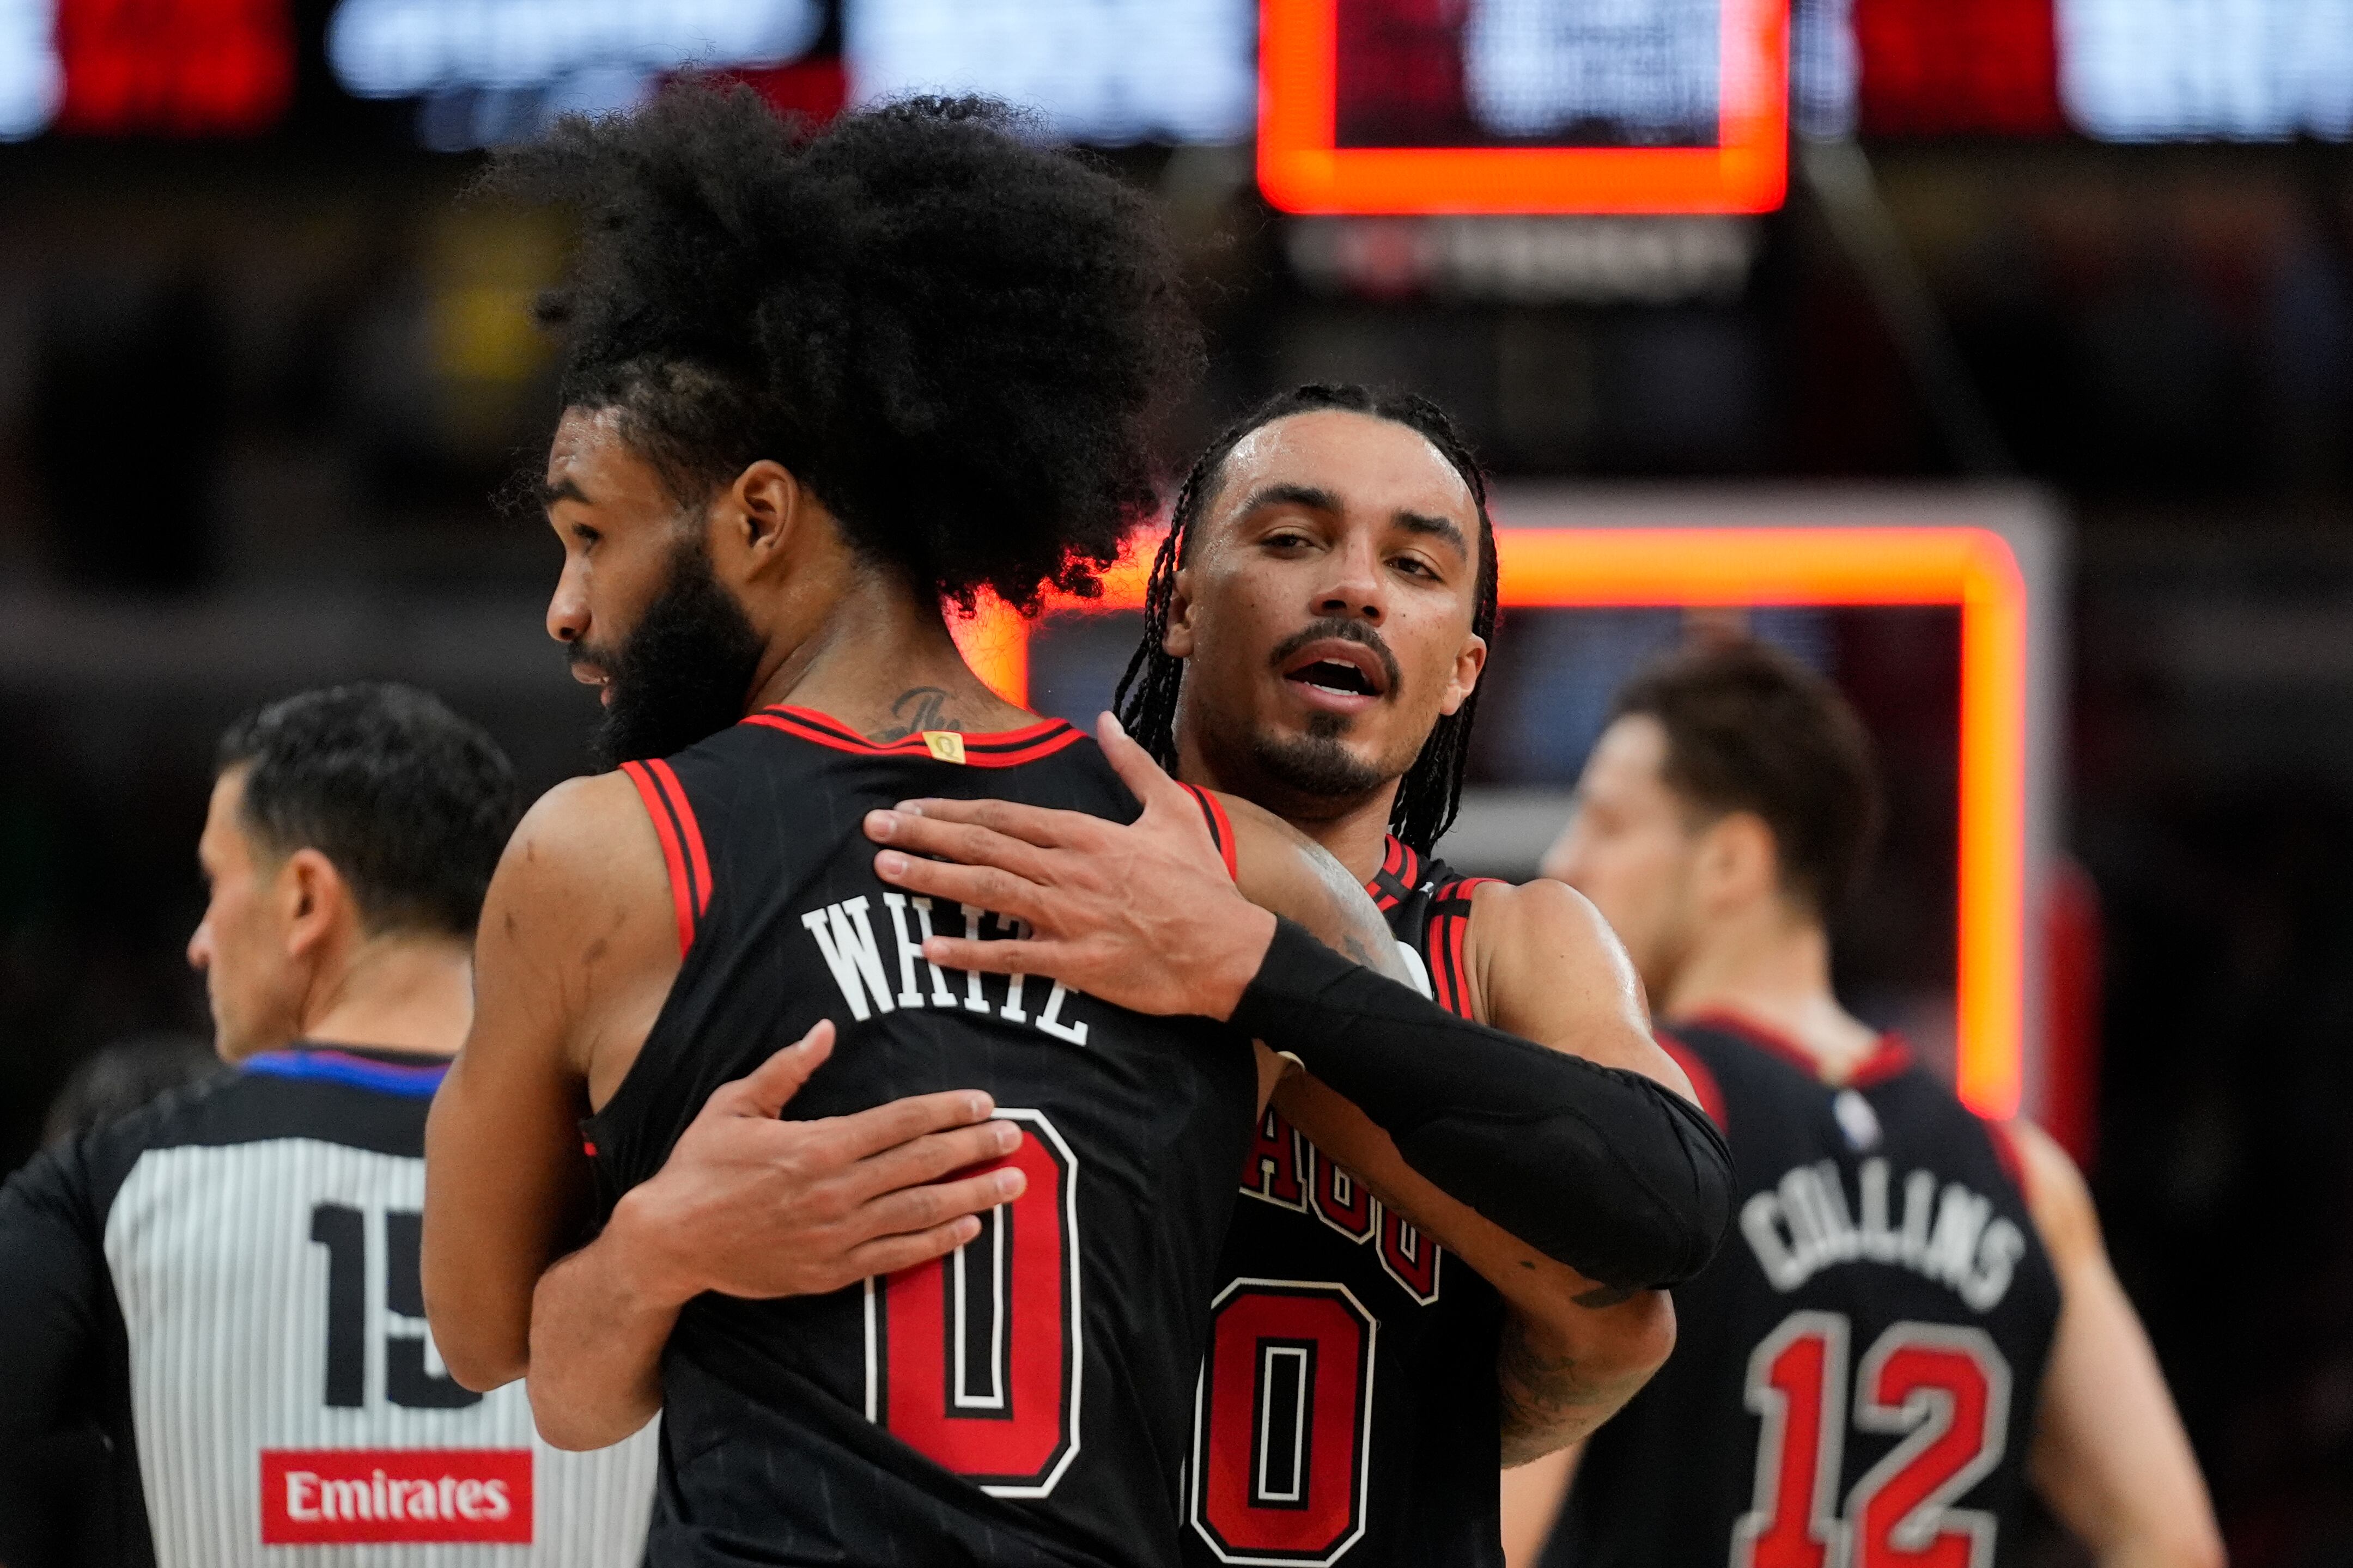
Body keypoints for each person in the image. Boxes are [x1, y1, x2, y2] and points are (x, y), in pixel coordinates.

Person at [854, 382, 1736, 1566]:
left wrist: (1253, 977)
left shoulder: (1505, 943)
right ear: (1177, 602)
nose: (1356, 588)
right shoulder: (1018, 872)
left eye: (1415, 567)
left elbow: (1669, 1211)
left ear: (1464, 669)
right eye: (1290, 540)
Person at [1518, 640, 2224, 1568]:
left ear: (1729, 861)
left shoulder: (1645, 1119)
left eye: (1607, 824)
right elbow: (2175, 1545)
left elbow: (1491, 1536)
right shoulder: (2022, 1173)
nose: (1564, 861)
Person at [0, 683, 658, 1568]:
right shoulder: (652, 1171)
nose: (199, 940)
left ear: (307, 899)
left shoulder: (107, 1186)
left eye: (216, 884)